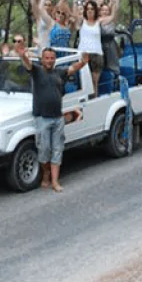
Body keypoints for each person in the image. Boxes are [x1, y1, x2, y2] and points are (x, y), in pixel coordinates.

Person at [14, 41, 89, 192]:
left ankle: (55, 181)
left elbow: (72, 69)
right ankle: (46, 173)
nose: (49, 60)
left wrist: (83, 62)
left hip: (57, 118)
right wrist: (23, 55)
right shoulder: (36, 71)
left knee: (57, 149)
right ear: (42, 59)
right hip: (42, 118)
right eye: (46, 58)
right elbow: (28, 64)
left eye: (52, 58)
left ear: (55, 59)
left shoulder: (59, 72)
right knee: (43, 150)